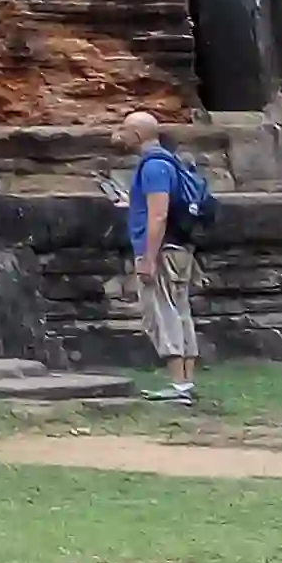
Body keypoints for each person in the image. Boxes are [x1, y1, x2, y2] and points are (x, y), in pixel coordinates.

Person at [116, 109, 204, 402]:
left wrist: (148, 257)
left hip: (162, 250)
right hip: (179, 248)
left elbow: (158, 215)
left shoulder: (153, 166)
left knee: (162, 313)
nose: (121, 134)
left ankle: (178, 385)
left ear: (138, 135)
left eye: (125, 129)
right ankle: (186, 383)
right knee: (180, 312)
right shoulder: (171, 162)